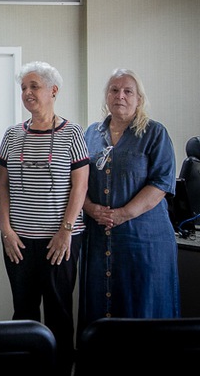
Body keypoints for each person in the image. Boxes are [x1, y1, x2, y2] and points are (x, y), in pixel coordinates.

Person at [0, 61, 89, 376]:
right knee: (23, 311)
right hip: (19, 241)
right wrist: (6, 231)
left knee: (59, 312)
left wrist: (65, 232)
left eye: (34, 86)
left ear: (53, 91)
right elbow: (2, 186)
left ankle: (60, 370)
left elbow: (81, 186)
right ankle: (26, 370)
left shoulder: (73, 133)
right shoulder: (11, 134)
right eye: (24, 87)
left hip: (60, 241)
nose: (27, 93)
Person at [77, 68, 179, 336]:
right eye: (114, 90)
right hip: (99, 238)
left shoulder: (155, 133)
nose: (119, 96)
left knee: (143, 305)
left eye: (127, 91)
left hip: (144, 240)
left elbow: (160, 184)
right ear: (106, 96)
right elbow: (77, 179)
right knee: (101, 306)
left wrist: (123, 214)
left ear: (139, 99)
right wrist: (89, 207)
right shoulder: (90, 134)